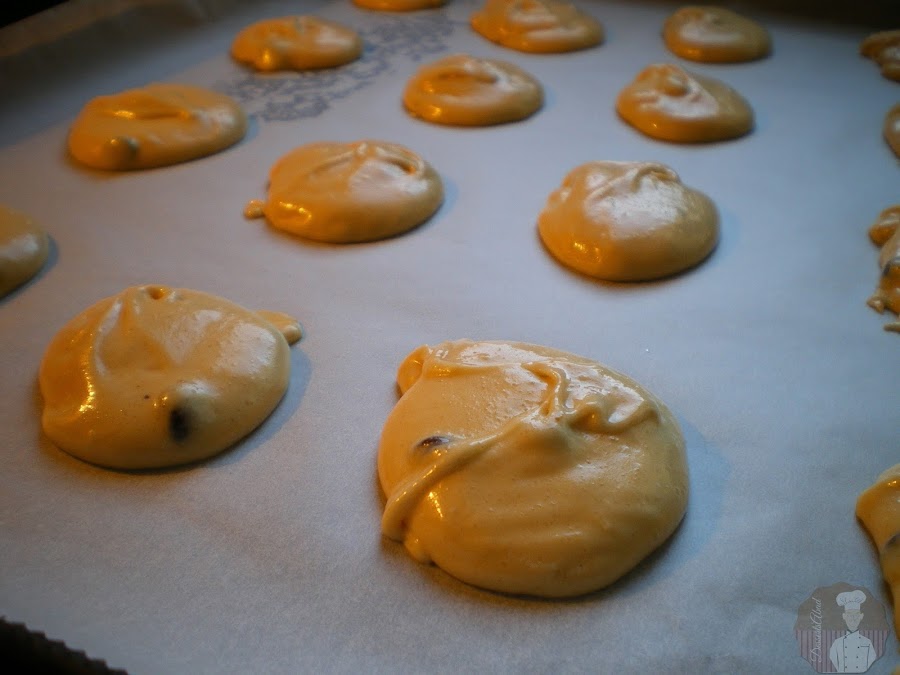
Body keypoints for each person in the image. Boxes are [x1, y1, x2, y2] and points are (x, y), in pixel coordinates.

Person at [829, 590, 878, 673]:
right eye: (849, 614)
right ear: (844, 616)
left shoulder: (867, 643)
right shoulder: (837, 644)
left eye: (856, 614)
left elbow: (871, 661)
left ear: (861, 616)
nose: (853, 618)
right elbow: (833, 660)